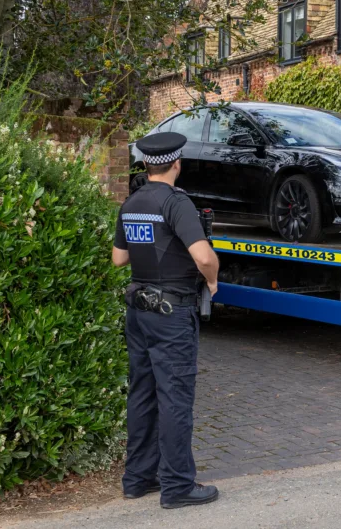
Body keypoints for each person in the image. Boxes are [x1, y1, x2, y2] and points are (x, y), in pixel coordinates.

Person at [111, 131, 221, 509]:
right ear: (177, 163)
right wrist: (212, 279)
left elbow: (118, 259)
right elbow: (203, 256)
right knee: (175, 396)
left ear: (145, 164)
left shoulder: (131, 203)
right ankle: (177, 486)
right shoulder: (177, 204)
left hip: (138, 310)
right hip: (171, 312)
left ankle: (138, 479)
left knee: (142, 393)